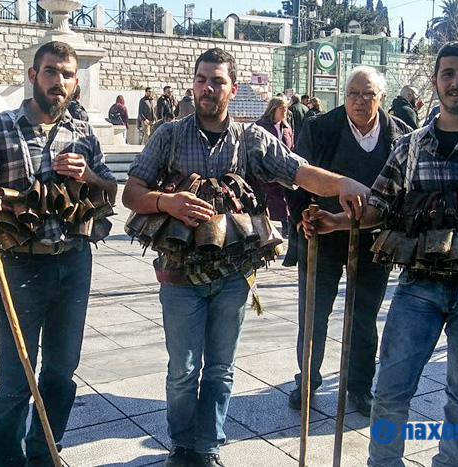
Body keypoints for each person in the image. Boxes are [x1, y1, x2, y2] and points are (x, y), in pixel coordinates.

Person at [302, 41, 458, 467]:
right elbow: (380, 206)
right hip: (418, 288)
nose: (456, 82)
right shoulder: (410, 146)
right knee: (390, 391)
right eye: (448, 73)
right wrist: (336, 221)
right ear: (435, 81)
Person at [122, 47, 370, 467]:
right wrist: (167, 202)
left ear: (233, 89)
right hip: (179, 275)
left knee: (221, 368)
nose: (208, 88)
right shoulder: (168, 135)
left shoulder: (251, 139)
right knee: (183, 370)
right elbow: (131, 192)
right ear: (193, 84)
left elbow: (299, 171)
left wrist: (344, 183)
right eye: (201, 80)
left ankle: (209, 447)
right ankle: (182, 446)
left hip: (233, 275)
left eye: (217, 81)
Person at [0, 41, 117, 467]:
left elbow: (109, 188)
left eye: (66, 74)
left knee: (61, 374)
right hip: (21, 265)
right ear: (33, 76)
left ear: (75, 83)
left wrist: (90, 175)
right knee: (14, 379)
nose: (58, 81)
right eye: (50, 71)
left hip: (74, 261)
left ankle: (44, 455)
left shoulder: (83, 134)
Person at [286, 66, 412, 417]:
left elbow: (404, 192)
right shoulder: (320, 128)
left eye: (368, 94)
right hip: (321, 236)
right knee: (313, 314)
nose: (359, 101)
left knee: (364, 317)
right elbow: (297, 177)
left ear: (382, 98)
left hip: (373, 241)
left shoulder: (399, 136)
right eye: (352, 93)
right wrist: (303, 218)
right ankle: (307, 381)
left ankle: (359, 386)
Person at [254, 95, 294, 238]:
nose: (285, 112)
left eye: (286, 109)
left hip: (284, 170)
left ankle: (285, 226)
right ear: (273, 109)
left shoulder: (286, 128)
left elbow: (291, 148)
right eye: (282, 109)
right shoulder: (260, 126)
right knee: (269, 200)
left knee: (284, 199)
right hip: (266, 171)